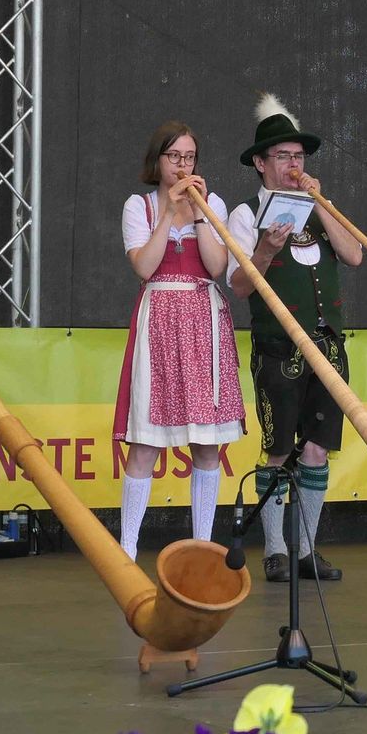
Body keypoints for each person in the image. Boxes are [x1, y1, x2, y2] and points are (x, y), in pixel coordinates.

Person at [225, 94, 364, 582]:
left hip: (328, 347)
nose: (293, 165)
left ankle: (306, 550)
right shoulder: (246, 215)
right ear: (261, 164)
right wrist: (265, 249)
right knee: (279, 448)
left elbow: (354, 255)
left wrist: (321, 205)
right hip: (279, 348)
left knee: (318, 448)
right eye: (282, 156)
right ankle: (275, 550)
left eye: (298, 157)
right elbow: (240, 285)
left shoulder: (320, 207)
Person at [115, 121, 244, 558]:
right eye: (174, 157)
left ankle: (202, 547)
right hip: (160, 322)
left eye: (189, 157)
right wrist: (169, 213)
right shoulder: (140, 206)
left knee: (207, 443)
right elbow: (144, 267)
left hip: (204, 322)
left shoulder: (214, 205)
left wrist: (201, 213)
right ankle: (127, 549)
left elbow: (216, 267)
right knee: (145, 441)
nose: (182, 166)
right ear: (158, 160)